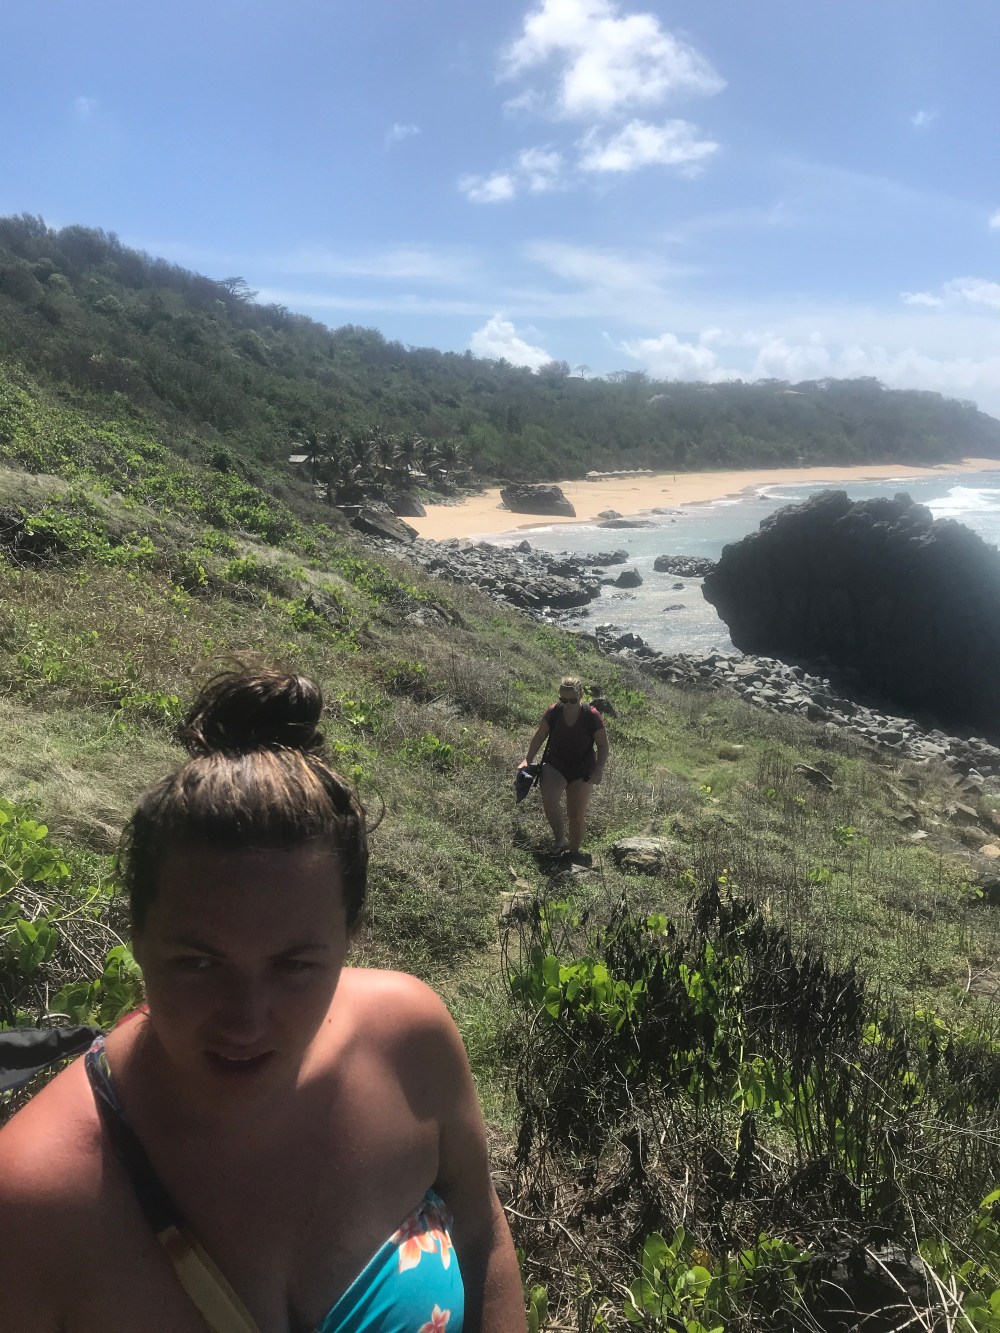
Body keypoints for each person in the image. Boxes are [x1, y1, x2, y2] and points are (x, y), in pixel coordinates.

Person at [0, 667, 526, 1333]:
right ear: (137, 934)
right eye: (198, 962)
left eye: (293, 965)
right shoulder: (32, 1201)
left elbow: (481, 1234)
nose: (245, 1019)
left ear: (350, 935)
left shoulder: (410, 1043)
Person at [519, 676, 609, 860]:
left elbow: (603, 745)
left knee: (575, 815)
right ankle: (560, 840)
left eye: (572, 700)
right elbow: (540, 736)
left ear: (581, 695)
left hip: (582, 769)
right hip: (555, 764)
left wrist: (599, 768)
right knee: (550, 800)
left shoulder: (591, 716)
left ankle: (574, 853)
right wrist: (527, 760)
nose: (567, 704)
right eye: (563, 699)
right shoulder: (554, 712)